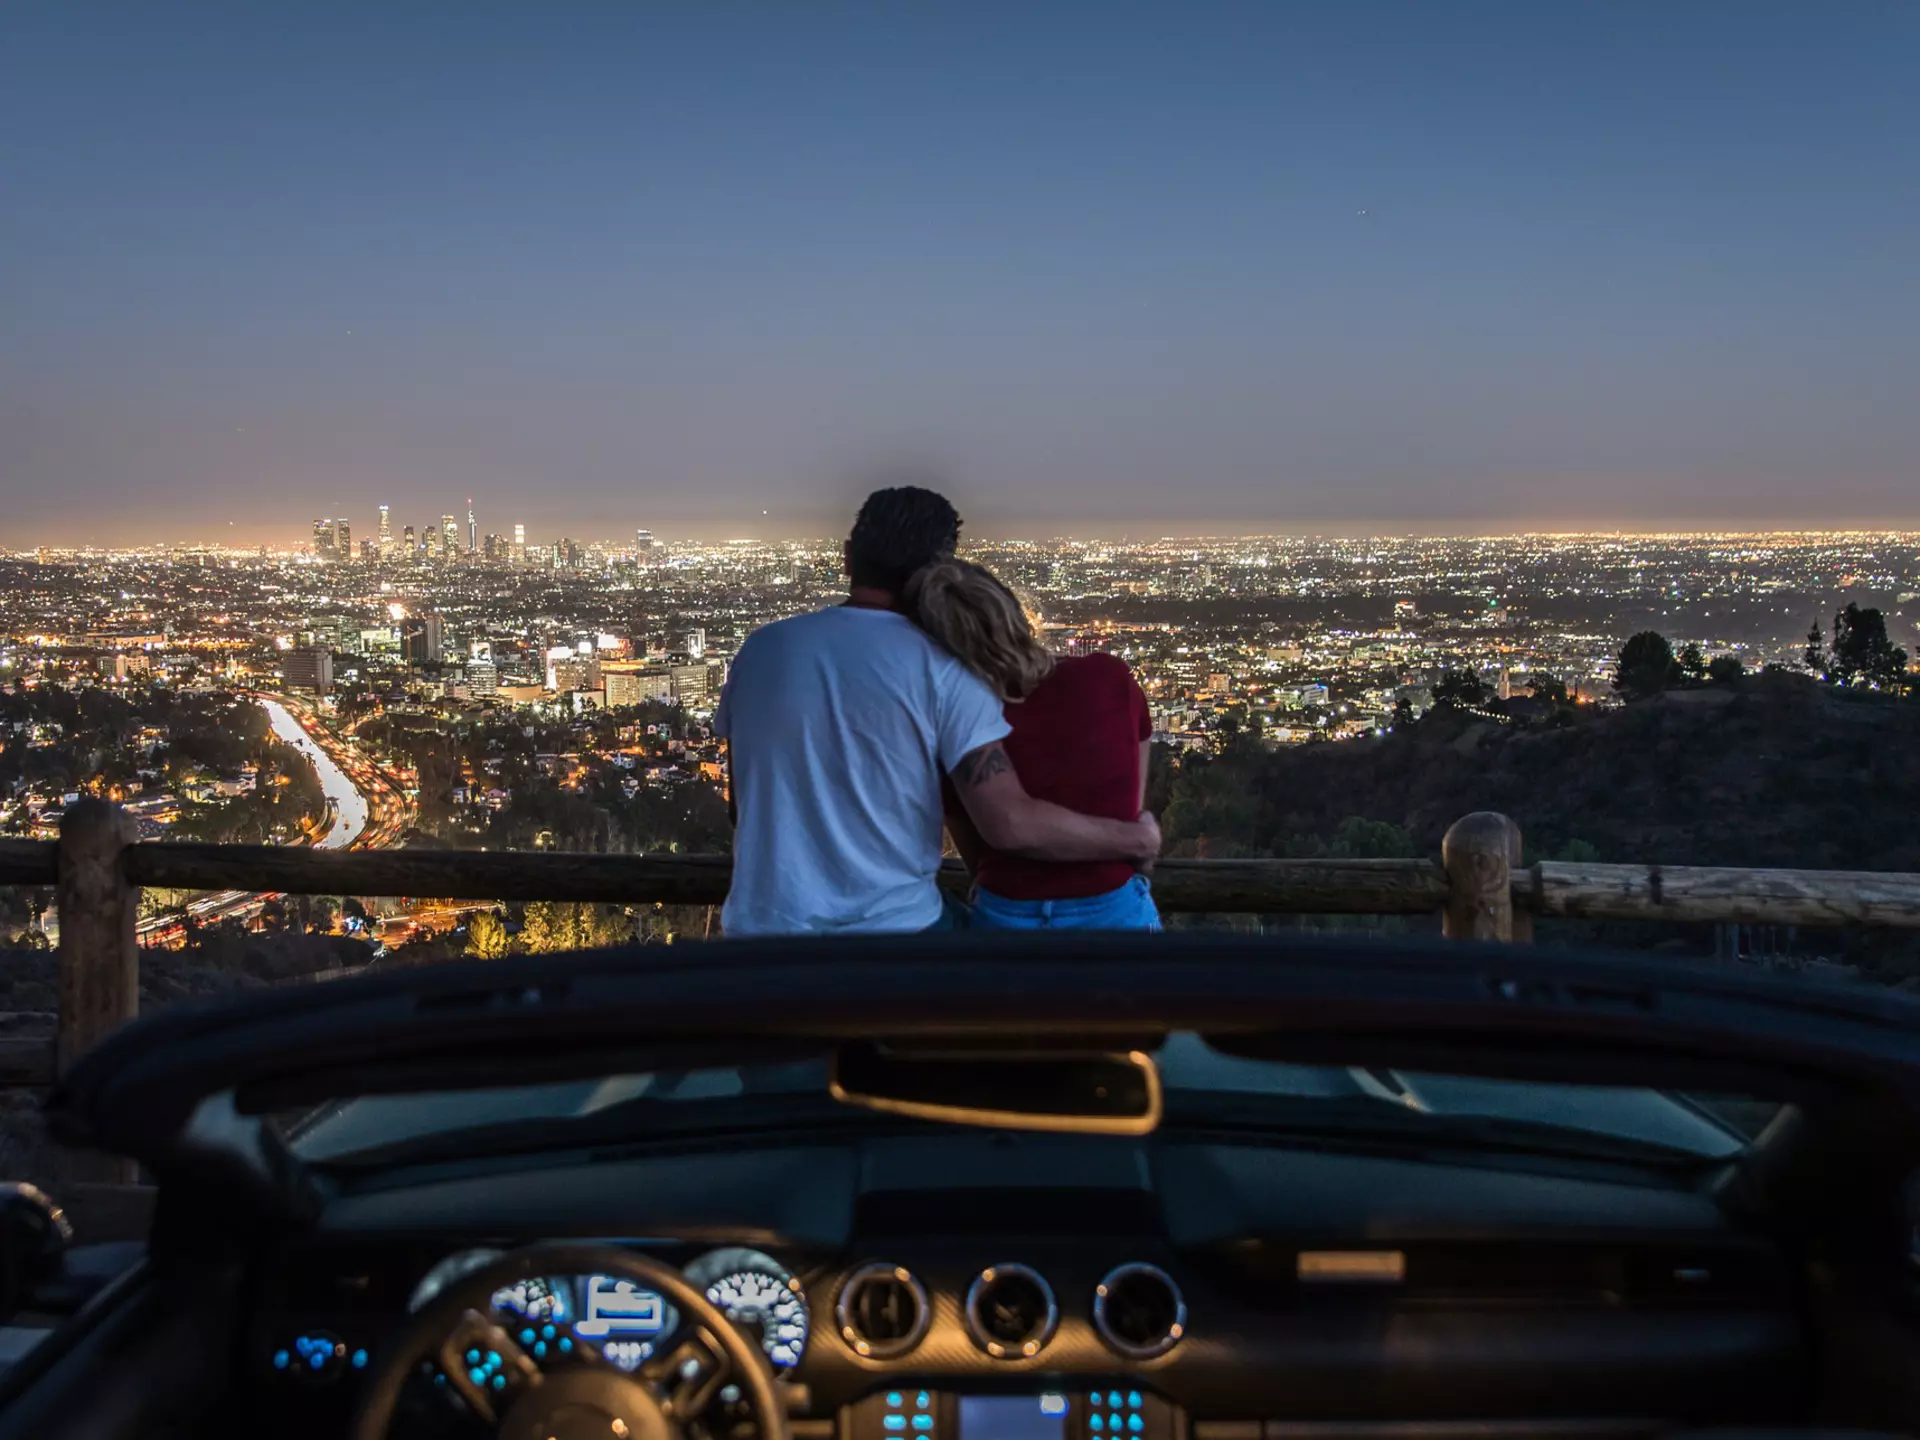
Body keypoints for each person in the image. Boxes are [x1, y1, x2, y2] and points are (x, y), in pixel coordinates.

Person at [715, 485, 1160, 936]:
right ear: (938, 573)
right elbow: (1008, 822)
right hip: (896, 934)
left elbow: (741, 808)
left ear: (849, 557)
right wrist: (1137, 839)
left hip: (760, 934)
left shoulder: (760, 651)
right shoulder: (941, 667)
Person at [907, 557, 1160, 930]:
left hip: (1008, 911)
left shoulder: (957, 719)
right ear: (1013, 613)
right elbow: (1129, 807)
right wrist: (1135, 842)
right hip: (1111, 907)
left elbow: (976, 851)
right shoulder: (1109, 677)